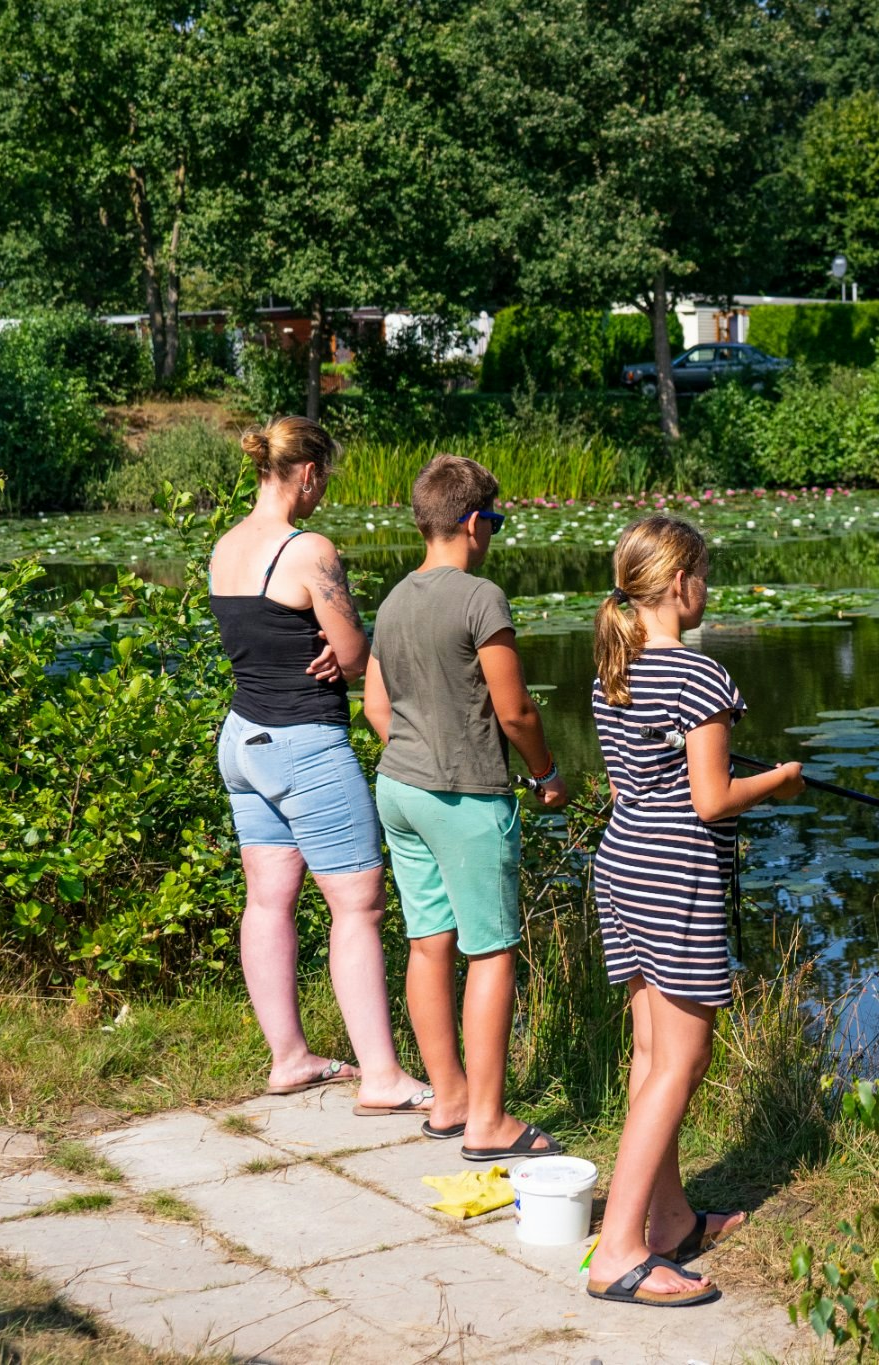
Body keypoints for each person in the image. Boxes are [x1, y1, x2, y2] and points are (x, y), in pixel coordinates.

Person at [584, 515, 804, 1308]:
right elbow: (711, 800)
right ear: (681, 583)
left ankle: (668, 1218)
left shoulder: (615, 669)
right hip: (675, 876)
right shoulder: (700, 676)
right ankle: (618, 1251)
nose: (708, 586)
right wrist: (779, 780)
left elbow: (630, 782)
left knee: (652, 1053)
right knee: (682, 1059)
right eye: (704, 572)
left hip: (623, 863)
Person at [209, 416, 429, 1112]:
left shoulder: (227, 545)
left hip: (243, 739)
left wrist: (332, 641)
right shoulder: (309, 550)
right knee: (358, 903)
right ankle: (383, 1077)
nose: (324, 489)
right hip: (302, 743)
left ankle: (290, 1058)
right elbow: (355, 655)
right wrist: (349, 643)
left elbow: (263, 637)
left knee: (267, 899)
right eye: (324, 476)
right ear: (307, 473)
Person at [363, 454, 570, 1157]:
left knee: (429, 942)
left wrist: (420, 751)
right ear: (475, 522)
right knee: (492, 951)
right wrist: (546, 772)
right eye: (496, 522)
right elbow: (515, 712)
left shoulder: (393, 600)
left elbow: (375, 706)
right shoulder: (481, 598)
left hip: (399, 789)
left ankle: (449, 1099)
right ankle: (487, 1122)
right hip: (465, 798)